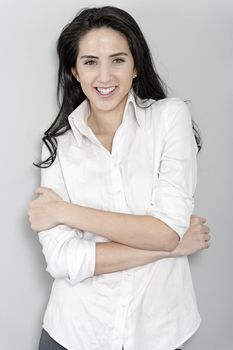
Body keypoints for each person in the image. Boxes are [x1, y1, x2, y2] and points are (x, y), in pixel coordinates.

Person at [28, 6, 211, 350]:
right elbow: (63, 260)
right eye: (90, 62)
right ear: (74, 70)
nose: (105, 76)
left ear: (136, 65)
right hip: (73, 333)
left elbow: (165, 232)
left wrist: (66, 212)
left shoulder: (170, 118)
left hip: (157, 333)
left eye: (118, 60)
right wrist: (171, 248)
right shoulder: (57, 146)